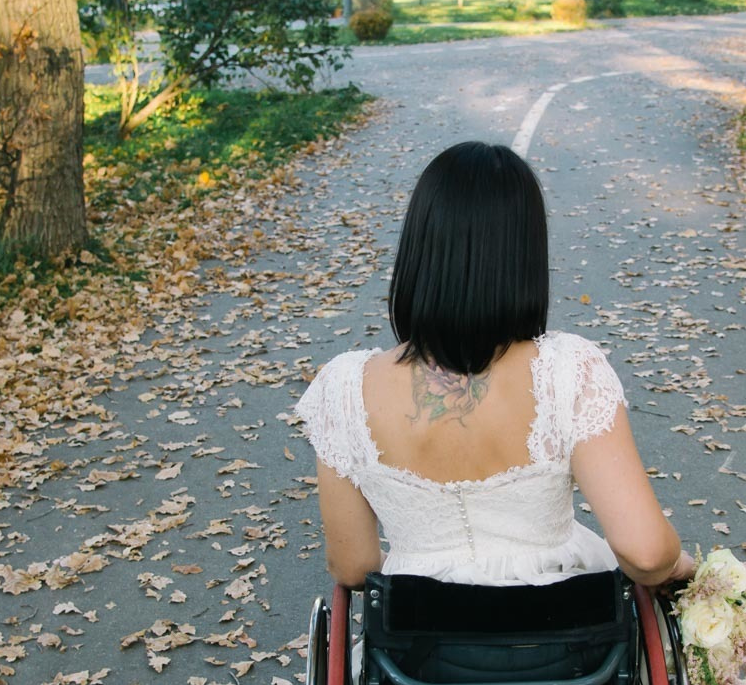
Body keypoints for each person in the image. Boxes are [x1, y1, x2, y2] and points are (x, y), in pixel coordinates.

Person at [296, 140, 694, 594]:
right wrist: (683, 566)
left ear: (419, 247)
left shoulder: (343, 389)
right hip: (564, 623)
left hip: (420, 630)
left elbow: (353, 568)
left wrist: (422, 576)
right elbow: (646, 554)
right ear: (525, 254)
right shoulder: (570, 372)